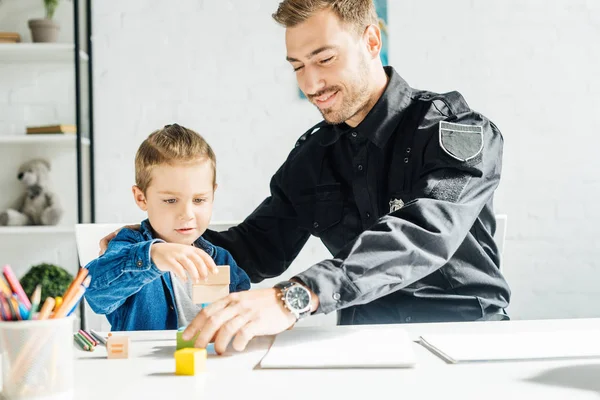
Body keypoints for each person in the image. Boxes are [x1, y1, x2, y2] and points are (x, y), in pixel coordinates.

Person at [101, 0, 510, 353]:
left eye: (324, 59)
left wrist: (295, 297)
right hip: (361, 348)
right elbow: (254, 249)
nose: (310, 83)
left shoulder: (453, 132)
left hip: (464, 338)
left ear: (371, 41)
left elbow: (423, 233)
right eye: (297, 65)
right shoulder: (313, 158)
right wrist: (151, 242)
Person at [86, 124, 251, 331]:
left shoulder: (222, 259)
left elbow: (243, 320)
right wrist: (152, 256)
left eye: (199, 200)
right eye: (171, 200)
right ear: (141, 198)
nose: (187, 214)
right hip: (145, 363)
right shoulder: (127, 244)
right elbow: (94, 293)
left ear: (213, 195)